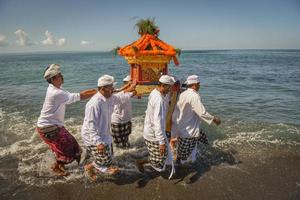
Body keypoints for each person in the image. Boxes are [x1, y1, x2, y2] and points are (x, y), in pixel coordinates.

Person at [36, 64, 96, 176]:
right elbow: (79, 97)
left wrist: (94, 90)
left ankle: (59, 167)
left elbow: (76, 95)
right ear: (53, 79)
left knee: (73, 148)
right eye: (59, 75)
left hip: (49, 127)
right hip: (49, 128)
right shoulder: (56, 92)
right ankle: (61, 168)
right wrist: (98, 92)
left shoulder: (56, 89)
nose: (62, 76)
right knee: (74, 150)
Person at [81, 75, 136, 181]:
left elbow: (121, 97)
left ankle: (92, 166)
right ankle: (90, 167)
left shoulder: (109, 97)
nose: (113, 89)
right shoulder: (94, 103)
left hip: (104, 133)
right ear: (103, 88)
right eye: (111, 87)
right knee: (104, 163)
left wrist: (132, 93)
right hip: (93, 136)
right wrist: (97, 142)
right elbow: (90, 125)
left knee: (109, 157)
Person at [171, 75, 221, 164]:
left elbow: (177, 110)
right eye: (198, 84)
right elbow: (202, 113)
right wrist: (214, 119)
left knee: (203, 140)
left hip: (185, 126)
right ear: (194, 84)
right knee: (183, 154)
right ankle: (177, 161)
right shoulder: (194, 96)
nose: (199, 86)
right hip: (189, 131)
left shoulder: (183, 94)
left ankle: (179, 147)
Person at [136, 75, 176, 179]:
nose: (170, 89)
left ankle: (147, 160)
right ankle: (140, 162)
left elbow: (167, 97)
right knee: (159, 160)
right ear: (163, 85)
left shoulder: (155, 92)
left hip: (151, 130)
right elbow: (158, 122)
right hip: (153, 133)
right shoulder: (159, 100)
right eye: (169, 87)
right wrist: (161, 142)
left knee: (162, 156)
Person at [111, 75, 135, 148]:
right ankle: (122, 157)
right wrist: (132, 85)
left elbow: (135, 94)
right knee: (119, 143)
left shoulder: (120, 92)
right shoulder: (118, 95)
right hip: (117, 122)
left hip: (126, 120)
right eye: (126, 83)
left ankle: (125, 156)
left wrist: (131, 86)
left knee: (125, 140)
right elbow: (134, 93)